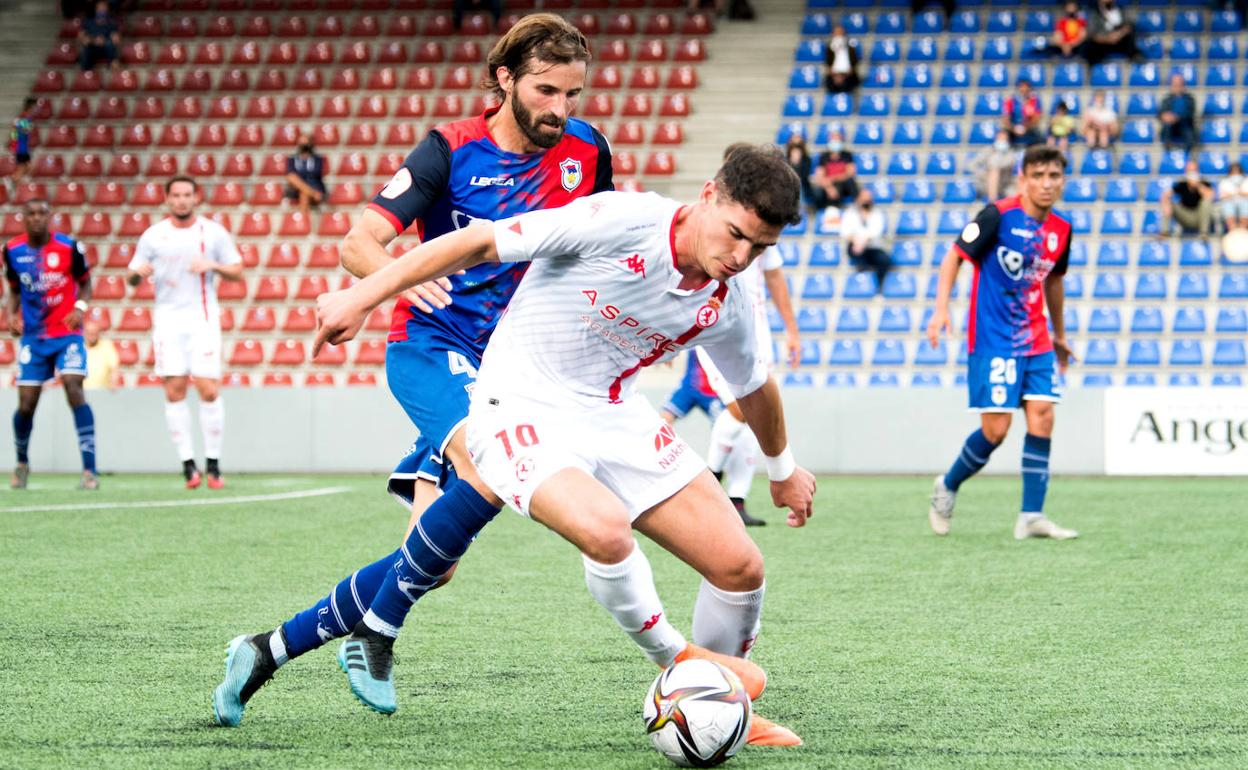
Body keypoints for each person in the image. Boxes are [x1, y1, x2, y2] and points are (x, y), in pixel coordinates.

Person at [314, 145, 815, 746]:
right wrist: (361, 296)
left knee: (740, 567)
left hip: (612, 411)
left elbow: (754, 385)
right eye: (736, 235)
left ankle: (719, 705)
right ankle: (685, 666)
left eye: (760, 248)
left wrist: (782, 469)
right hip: (518, 401)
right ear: (708, 195)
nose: (741, 257)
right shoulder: (620, 220)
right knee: (605, 530)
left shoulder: (728, 299)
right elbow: (475, 244)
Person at [209, 12, 613, 729]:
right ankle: (379, 630)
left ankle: (265, 649)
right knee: (493, 467)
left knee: (436, 559)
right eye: (547, 91)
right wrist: (399, 273)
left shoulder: (588, 153)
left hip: (513, 372)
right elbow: (358, 242)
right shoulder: (448, 151)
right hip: (432, 349)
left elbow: (592, 251)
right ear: (504, 80)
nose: (561, 109)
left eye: (574, 94)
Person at [925, 145, 1078, 541]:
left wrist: (1059, 335)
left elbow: (1054, 281)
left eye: (1054, 176)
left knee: (1043, 414)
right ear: (1023, 178)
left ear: (1063, 181)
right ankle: (949, 483)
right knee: (996, 430)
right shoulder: (998, 215)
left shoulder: (1061, 229)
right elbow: (953, 256)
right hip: (994, 338)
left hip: (1037, 336)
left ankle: (1031, 515)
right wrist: (941, 311)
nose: (1047, 184)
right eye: (1039, 176)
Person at [127, 176, 243, 489]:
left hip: (202, 319)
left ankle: (214, 465)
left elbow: (237, 269)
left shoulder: (211, 232)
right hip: (167, 321)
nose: (181, 200)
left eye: (187, 194)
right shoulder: (154, 236)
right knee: (174, 390)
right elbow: (132, 276)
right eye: (176, 195)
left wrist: (211, 265)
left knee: (208, 389)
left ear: (195, 198)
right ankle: (188, 465)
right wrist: (138, 275)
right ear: (167, 198)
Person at [2, 199, 97, 490]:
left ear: (50, 217)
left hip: (67, 333)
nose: (37, 219)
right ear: (23, 219)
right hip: (34, 336)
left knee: (73, 387)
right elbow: (15, 289)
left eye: (42, 213)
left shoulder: (69, 247)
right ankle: (21, 463)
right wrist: (11, 316)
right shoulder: (12, 251)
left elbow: (86, 283)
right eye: (30, 214)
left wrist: (79, 308)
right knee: (27, 403)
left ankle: (89, 470)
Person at [840, 187, 890, 290]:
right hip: (855, 246)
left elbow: (876, 232)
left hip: (872, 247)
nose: (866, 200)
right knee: (858, 256)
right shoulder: (850, 213)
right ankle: (862, 285)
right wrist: (857, 241)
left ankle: (879, 286)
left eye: (868, 198)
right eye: (864, 197)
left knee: (884, 260)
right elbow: (845, 232)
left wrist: (863, 242)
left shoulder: (877, 214)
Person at [1159, 158, 1214, 238]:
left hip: (1199, 215)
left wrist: (1197, 185)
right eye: (1189, 170)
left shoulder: (1204, 182)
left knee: (1206, 202)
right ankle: (1164, 232)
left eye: (1193, 170)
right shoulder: (1182, 183)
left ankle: (1203, 233)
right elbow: (1165, 195)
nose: (1191, 172)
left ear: (1197, 170)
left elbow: (1210, 196)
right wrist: (1165, 203)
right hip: (1185, 216)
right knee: (1169, 204)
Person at [810, 128, 857, 210]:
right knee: (818, 191)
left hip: (842, 183)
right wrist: (829, 188)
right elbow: (819, 175)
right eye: (833, 138)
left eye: (837, 138)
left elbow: (850, 173)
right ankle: (821, 212)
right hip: (828, 184)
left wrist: (833, 179)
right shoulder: (824, 156)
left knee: (847, 184)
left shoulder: (847, 155)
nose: (835, 141)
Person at [1085, 0, 1143, 66]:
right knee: (1090, 46)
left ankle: (1136, 62)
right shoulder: (1095, 14)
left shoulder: (1121, 10)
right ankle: (1094, 71)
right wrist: (1107, 38)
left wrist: (1119, 34)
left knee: (1130, 36)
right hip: (1103, 44)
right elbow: (1092, 34)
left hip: (1119, 40)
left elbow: (1129, 25)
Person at [970, 130, 1020, 203]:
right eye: (999, 138)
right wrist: (983, 173)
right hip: (985, 182)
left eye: (1003, 139)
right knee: (993, 172)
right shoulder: (987, 151)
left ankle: (993, 203)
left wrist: (995, 161)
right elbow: (972, 165)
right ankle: (992, 201)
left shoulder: (1011, 154)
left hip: (1005, 184)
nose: (1001, 141)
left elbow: (1007, 165)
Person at [284, 133, 326, 218]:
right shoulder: (293, 159)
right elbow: (290, 174)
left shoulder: (317, 159)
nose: (304, 146)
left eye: (306, 143)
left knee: (304, 194)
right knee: (291, 177)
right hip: (297, 190)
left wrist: (302, 179)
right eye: (301, 143)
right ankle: (312, 193)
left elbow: (316, 173)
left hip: (315, 186)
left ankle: (303, 221)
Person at [1158, 73, 1198, 153]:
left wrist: (1176, 117)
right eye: (1175, 84)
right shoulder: (1167, 99)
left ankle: (1187, 154)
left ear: (1183, 85)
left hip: (1184, 125)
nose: (1177, 87)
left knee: (1188, 132)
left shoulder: (1189, 99)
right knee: (1167, 126)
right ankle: (1167, 151)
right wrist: (1163, 116)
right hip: (1170, 126)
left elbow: (1190, 113)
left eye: (1179, 84)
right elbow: (1161, 112)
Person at [78, 0, 121, 71]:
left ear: (107, 10)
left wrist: (106, 41)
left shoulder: (111, 24)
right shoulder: (88, 22)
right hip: (92, 46)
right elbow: (80, 37)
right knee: (87, 48)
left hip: (106, 47)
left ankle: (115, 70)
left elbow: (116, 39)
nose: (102, 10)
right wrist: (91, 40)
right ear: (96, 9)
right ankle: (85, 73)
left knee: (110, 45)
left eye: (104, 8)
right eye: (100, 8)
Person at [1003, 79, 1044, 147]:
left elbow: (1037, 118)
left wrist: (1025, 128)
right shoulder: (1010, 100)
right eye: (1021, 87)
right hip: (1013, 127)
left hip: (1029, 128)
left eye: (1026, 87)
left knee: (1040, 137)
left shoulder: (1034, 100)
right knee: (1003, 135)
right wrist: (1013, 128)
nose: (1024, 89)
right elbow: (1005, 118)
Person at [82, 318, 120, 390]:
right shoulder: (79, 347)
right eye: (89, 332)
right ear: (84, 333)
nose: (92, 335)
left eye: (94, 332)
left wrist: (113, 382)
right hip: (81, 392)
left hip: (101, 392)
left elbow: (114, 368)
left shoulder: (106, 346)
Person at [823, 24, 860, 94]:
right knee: (828, 81)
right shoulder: (829, 48)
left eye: (840, 32)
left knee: (851, 81)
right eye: (836, 32)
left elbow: (855, 61)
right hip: (834, 74)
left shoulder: (851, 47)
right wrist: (835, 75)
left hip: (848, 74)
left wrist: (847, 72)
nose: (838, 34)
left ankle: (847, 98)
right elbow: (828, 62)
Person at [8, 98, 35, 189]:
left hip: (23, 147)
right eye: (34, 107)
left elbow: (14, 130)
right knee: (22, 168)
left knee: (29, 167)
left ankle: (15, 181)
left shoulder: (25, 117)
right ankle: (13, 180)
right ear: (30, 107)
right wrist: (13, 143)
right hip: (21, 148)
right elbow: (20, 130)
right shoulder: (24, 117)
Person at [784, 134, 814, 207]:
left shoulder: (807, 160)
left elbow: (804, 176)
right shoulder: (785, 160)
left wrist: (797, 164)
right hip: (787, 185)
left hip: (802, 185)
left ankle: (800, 211)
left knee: (798, 187)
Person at [1217, 162, 1248, 232]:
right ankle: (1232, 230)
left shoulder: (1246, 181)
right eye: (1233, 171)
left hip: (1244, 202)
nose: (1235, 174)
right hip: (1229, 202)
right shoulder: (1224, 182)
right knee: (1227, 205)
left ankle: (1243, 230)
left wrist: (1241, 193)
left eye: (1237, 171)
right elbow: (1221, 196)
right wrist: (1233, 194)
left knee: (1246, 204)